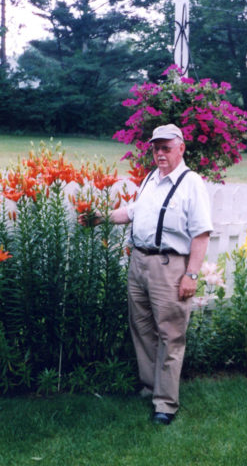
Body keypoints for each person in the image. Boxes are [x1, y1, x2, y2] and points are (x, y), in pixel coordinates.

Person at [80, 123, 213, 425]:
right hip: (139, 263)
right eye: (156, 147)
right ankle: (151, 388)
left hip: (170, 267)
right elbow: (133, 212)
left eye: (166, 147)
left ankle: (165, 403)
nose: (160, 153)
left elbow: (202, 234)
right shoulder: (152, 178)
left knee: (170, 333)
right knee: (141, 328)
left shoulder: (192, 184)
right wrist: (100, 217)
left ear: (181, 148)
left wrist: (191, 275)